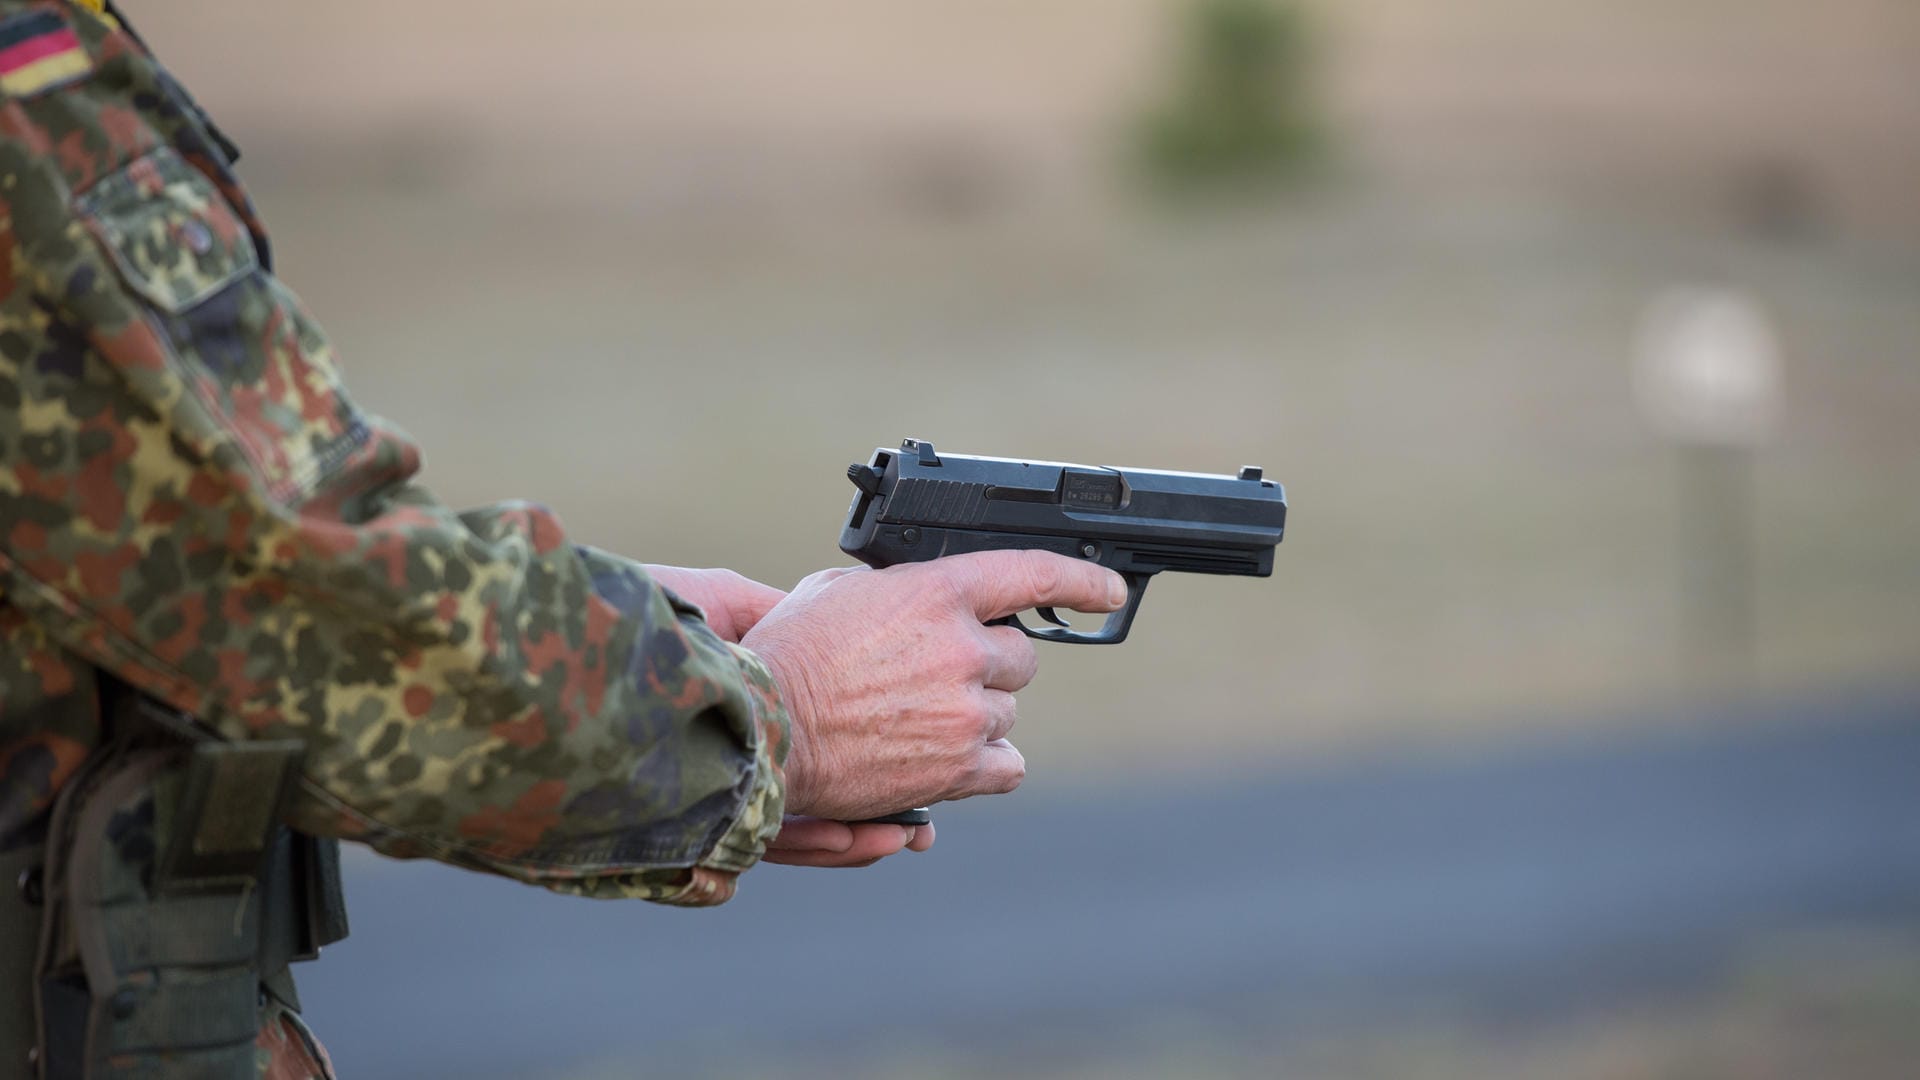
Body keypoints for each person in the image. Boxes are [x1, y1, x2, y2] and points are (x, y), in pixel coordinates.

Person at [0, 1, 1127, 1075]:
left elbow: (158, 569)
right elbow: (280, 604)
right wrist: (770, 717)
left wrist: (645, 647)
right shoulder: (28, 101)